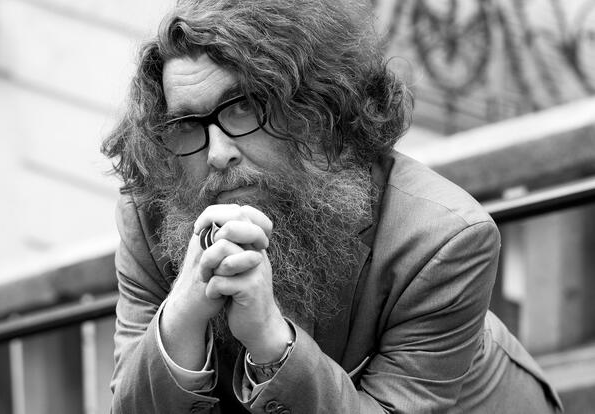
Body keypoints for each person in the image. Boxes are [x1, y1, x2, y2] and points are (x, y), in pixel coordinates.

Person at [102, 0, 563, 412]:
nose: (217, 153)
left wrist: (271, 341)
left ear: (316, 109)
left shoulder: (442, 239)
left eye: (244, 108)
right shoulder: (150, 217)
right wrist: (182, 311)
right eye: (187, 124)